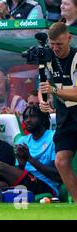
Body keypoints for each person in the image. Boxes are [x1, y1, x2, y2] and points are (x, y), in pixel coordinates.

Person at [0, 106, 61, 197]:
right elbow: (20, 173)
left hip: (46, 186)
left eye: (32, 116)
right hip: (27, 182)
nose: (27, 120)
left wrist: (29, 158)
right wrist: (22, 164)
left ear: (43, 119)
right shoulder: (23, 140)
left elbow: (58, 176)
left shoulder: (53, 138)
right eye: (25, 117)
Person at [39, 22, 77, 202]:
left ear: (69, 38)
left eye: (59, 44)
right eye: (52, 44)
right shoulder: (47, 58)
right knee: (61, 161)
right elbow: (42, 86)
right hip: (65, 120)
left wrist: (52, 91)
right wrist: (42, 100)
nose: (55, 48)